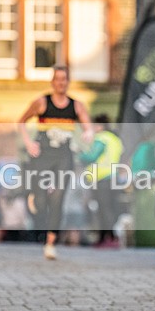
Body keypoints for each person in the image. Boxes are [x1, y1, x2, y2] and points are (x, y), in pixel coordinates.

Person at [19, 65, 92, 260]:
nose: (61, 83)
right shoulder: (42, 102)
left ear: (68, 82)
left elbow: (87, 125)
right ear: (53, 82)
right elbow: (22, 121)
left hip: (64, 157)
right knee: (42, 201)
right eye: (58, 79)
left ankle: (50, 243)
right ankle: (35, 197)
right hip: (42, 155)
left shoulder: (76, 106)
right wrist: (28, 143)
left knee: (58, 197)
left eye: (64, 79)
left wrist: (87, 132)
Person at [80, 114, 123, 247]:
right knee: (110, 208)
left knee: (103, 210)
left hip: (102, 178)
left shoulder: (101, 138)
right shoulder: (115, 139)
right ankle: (111, 238)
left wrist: (79, 153)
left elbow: (91, 156)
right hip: (113, 177)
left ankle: (107, 238)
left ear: (99, 126)